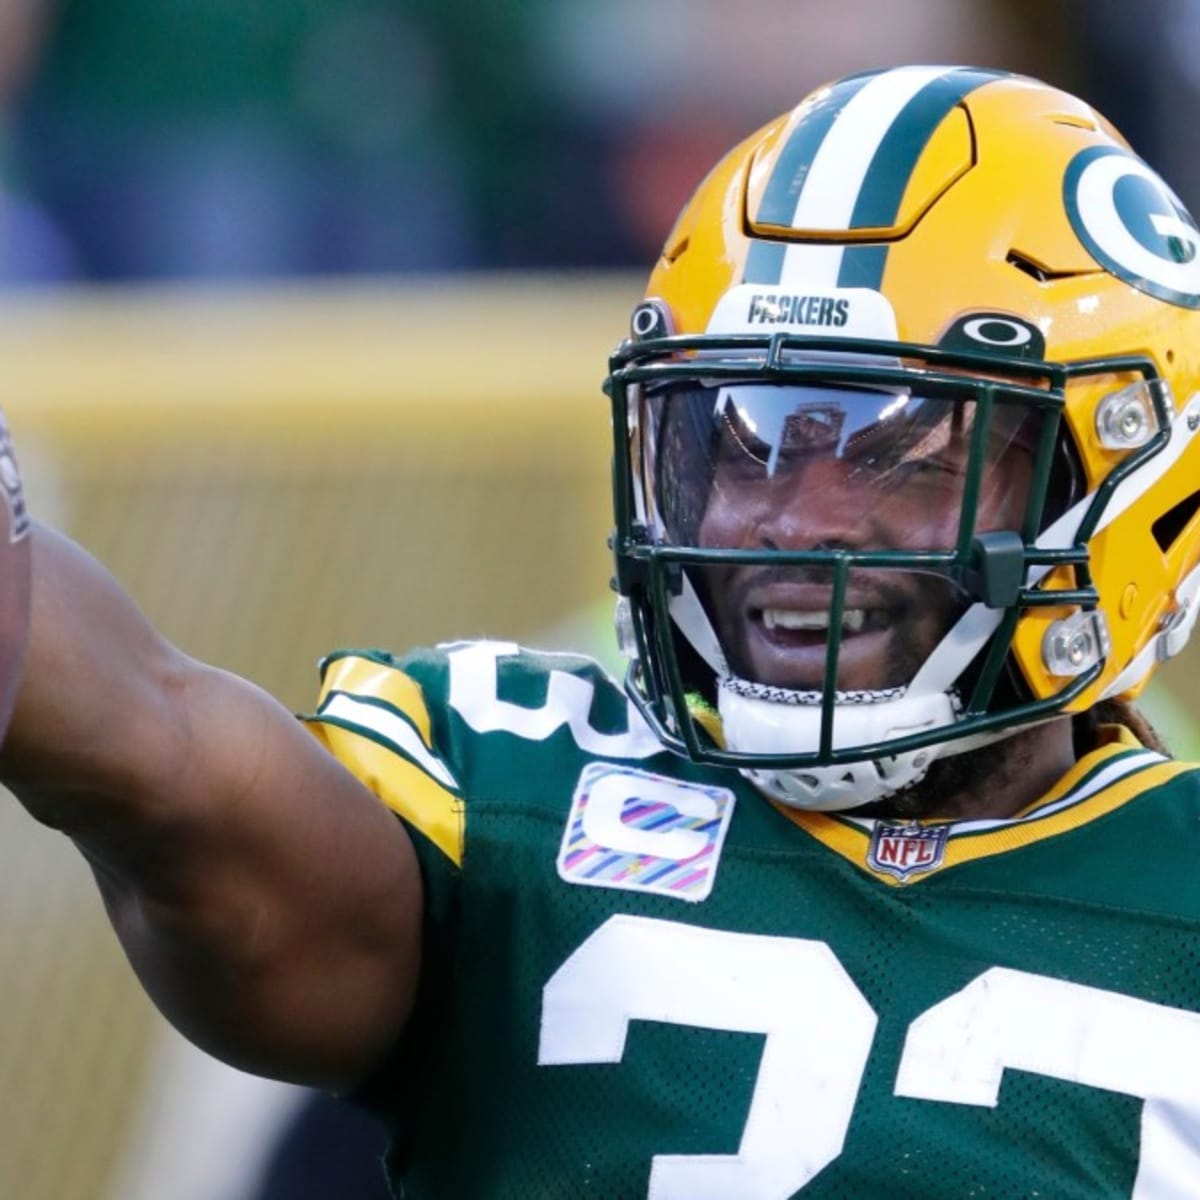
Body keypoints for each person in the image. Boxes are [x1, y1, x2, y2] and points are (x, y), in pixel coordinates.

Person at [6, 64, 1200, 1199]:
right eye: (741, 437)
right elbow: (163, 761)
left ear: (1124, 482)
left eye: (898, 453)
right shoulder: (520, 785)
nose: (792, 515)